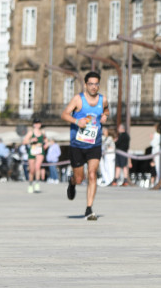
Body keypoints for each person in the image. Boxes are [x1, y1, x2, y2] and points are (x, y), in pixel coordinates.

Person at [60, 71, 109, 220]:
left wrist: (105, 115)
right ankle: (72, 182)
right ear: (86, 85)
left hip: (95, 143)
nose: (94, 87)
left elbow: (106, 110)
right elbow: (64, 114)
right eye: (91, 84)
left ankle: (89, 208)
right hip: (77, 144)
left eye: (96, 84)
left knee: (93, 174)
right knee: (80, 178)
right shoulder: (78, 99)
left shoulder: (103, 99)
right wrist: (77, 121)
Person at [22, 119, 47, 193]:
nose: (37, 124)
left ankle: (37, 183)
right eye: (36, 123)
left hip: (40, 151)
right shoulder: (31, 132)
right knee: (32, 170)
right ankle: (30, 184)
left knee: (37, 167)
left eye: (39, 123)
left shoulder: (42, 132)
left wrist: (45, 144)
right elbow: (24, 141)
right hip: (32, 151)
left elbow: (46, 141)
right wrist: (31, 141)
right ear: (33, 124)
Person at [149, 123, 161, 188]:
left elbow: (153, 144)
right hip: (156, 153)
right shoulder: (160, 135)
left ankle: (158, 182)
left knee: (157, 168)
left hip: (156, 153)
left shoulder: (156, 135)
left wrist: (151, 139)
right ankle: (158, 182)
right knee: (157, 168)